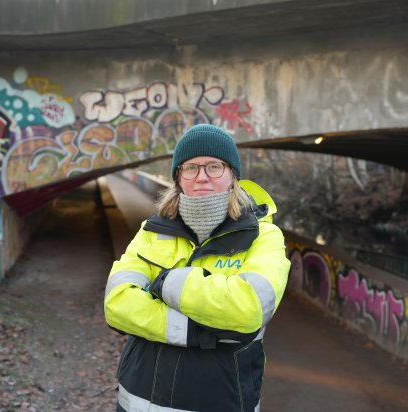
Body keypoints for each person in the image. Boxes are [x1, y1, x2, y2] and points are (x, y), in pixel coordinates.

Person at [104, 124, 291, 412]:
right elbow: (117, 303)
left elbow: (250, 308)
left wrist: (166, 284)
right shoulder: (151, 231)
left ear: (232, 176)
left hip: (219, 401)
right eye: (190, 167)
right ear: (178, 178)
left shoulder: (263, 236)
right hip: (138, 401)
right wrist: (198, 331)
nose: (202, 176)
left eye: (214, 166)